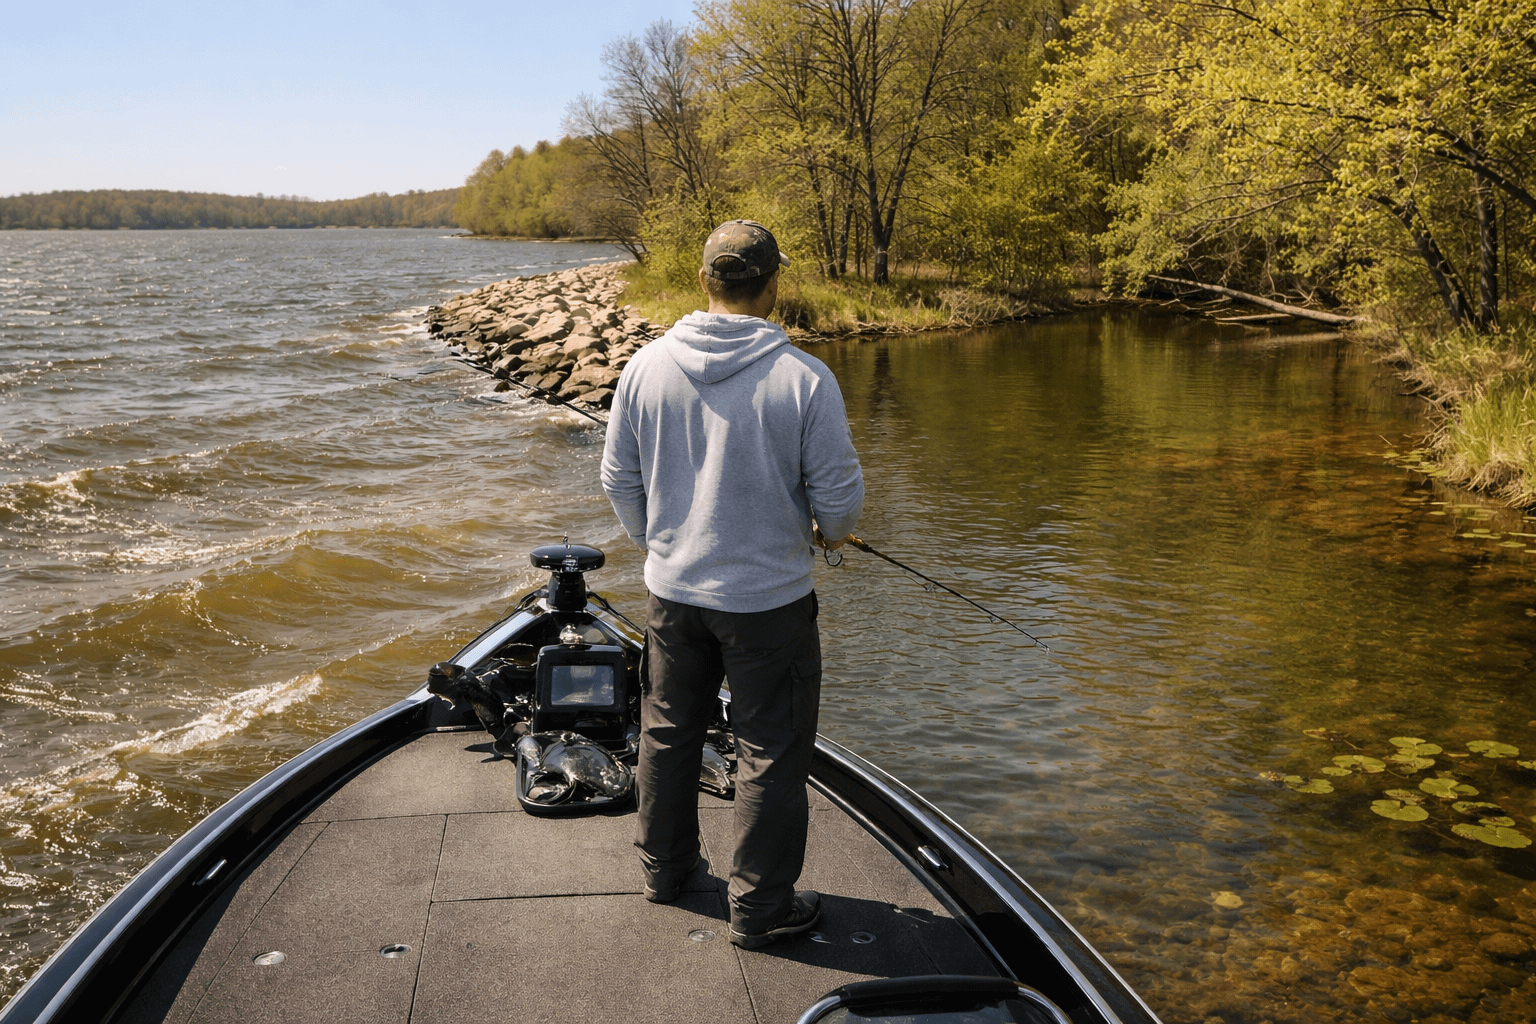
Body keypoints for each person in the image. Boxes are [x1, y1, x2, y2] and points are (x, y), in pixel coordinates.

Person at [600, 220, 864, 950]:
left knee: (666, 733)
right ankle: (760, 909)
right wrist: (825, 533)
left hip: (673, 595)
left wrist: (660, 543)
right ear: (774, 283)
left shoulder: (645, 367)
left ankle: (664, 873)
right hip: (769, 607)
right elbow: (838, 507)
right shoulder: (805, 378)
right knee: (770, 753)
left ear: (703, 281)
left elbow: (618, 479)